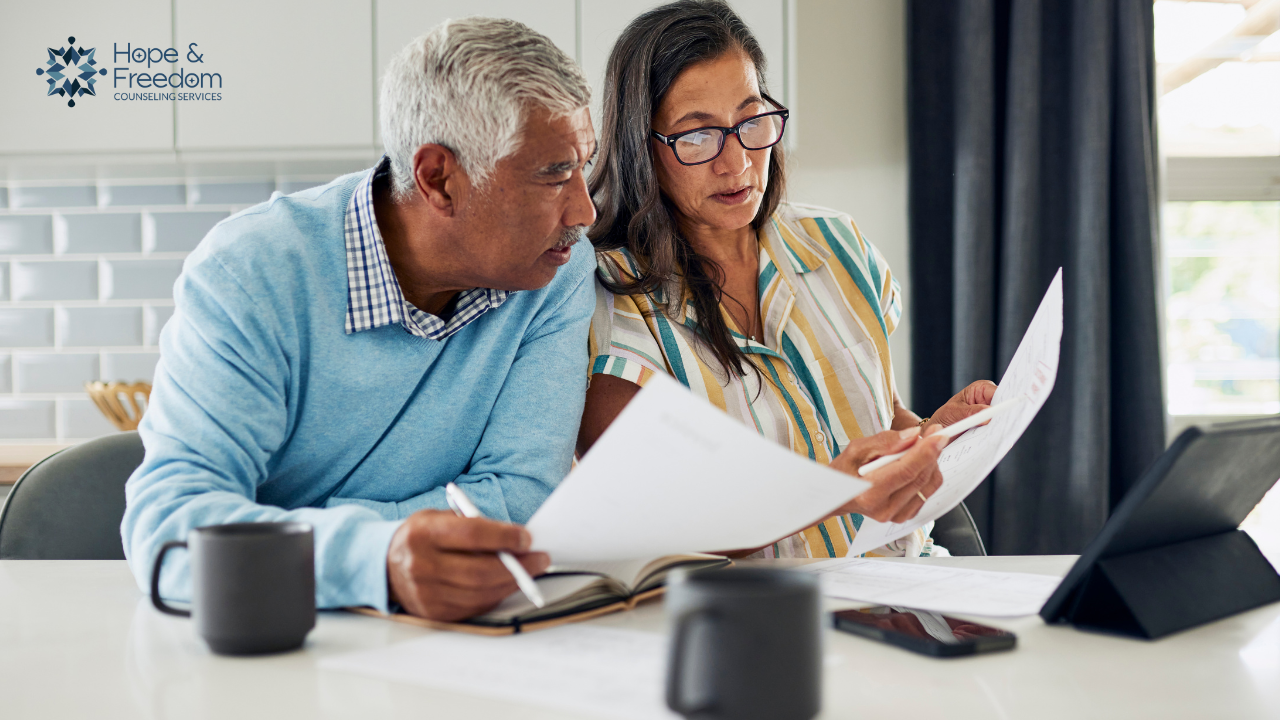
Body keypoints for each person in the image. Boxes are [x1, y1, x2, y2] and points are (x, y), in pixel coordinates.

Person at [123, 18, 597, 622]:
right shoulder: (251, 272)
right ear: (439, 180)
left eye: (585, 165)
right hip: (271, 638)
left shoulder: (556, 270)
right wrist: (377, 559)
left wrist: (304, 541)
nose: (584, 208)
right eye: (554, 173)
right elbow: (172, 528)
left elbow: (522, 502)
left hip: (450, 641)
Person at [579, 0, 996, 558]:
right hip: (760, 623)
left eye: (751, 121)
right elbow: (655, 521)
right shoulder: (604, 306)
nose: (737, 164)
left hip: (912, 590)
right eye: (697, 137)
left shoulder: (837, 243)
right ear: (642, 148)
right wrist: (834, 494)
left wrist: (931, 435)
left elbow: (880, 412)